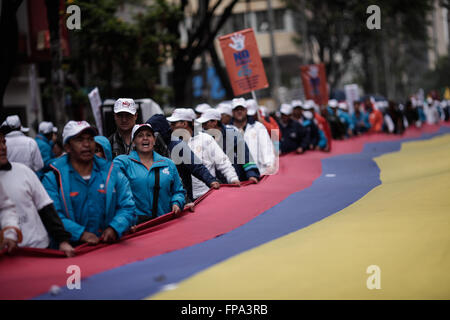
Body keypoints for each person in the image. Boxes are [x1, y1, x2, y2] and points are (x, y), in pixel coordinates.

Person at [42, 121, 136, 246]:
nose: (87, 144)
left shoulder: (113, 173)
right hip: (73, 253)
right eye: (80, 140)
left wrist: (114, 227)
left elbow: (128, 207)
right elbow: (53, 216)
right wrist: (80, 234)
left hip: (110, 250)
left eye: (90, 139)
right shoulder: (53, 178)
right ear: (68, 147)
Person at [0, 128, 74, 257]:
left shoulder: (24, 171)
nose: (3, 148)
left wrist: (62, 240)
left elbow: (46, 208)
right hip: (6, 257)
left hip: (38, 248)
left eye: (3, 142)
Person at [113, 124, 186, 224]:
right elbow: (114, 189)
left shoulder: (168, 164)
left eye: (149, 135)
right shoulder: (123, 162)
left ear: (154, 140)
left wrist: (177, 203)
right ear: (133, 142)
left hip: (165, 223)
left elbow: (178, 191)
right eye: (140, 136)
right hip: (137, 227)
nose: (145, 138)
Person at [146, 114, 220, 206]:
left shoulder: (178, 146)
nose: (148, 138)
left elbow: (196, 165)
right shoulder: (150, 148)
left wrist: (211, 181)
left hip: (182, 199)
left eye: (151, 134)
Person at [168, 108, 240, 200]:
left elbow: (222, 161)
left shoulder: (205, 139)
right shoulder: (171, 144)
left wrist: (233, 178)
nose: (171, 126)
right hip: (185, 199)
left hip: (208, 194)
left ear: (185, 124)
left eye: (174, 123)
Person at [197, 108, 260, 183]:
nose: (203, 126)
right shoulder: (202, 138)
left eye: (205, 123)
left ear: (214, 122)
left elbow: (245, 156)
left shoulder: (232, 134)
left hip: (237, 179)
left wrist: (251, 175)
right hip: (215, 183)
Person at [230, 98, 276, 176]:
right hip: (238, 177)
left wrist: (269, 164)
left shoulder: (258, 127)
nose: (239, 111)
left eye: (242, 109)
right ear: (232, 112)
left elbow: (266, 147)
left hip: (260, 172)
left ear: (246, 110)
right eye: (236, 109)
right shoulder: (228, 130)